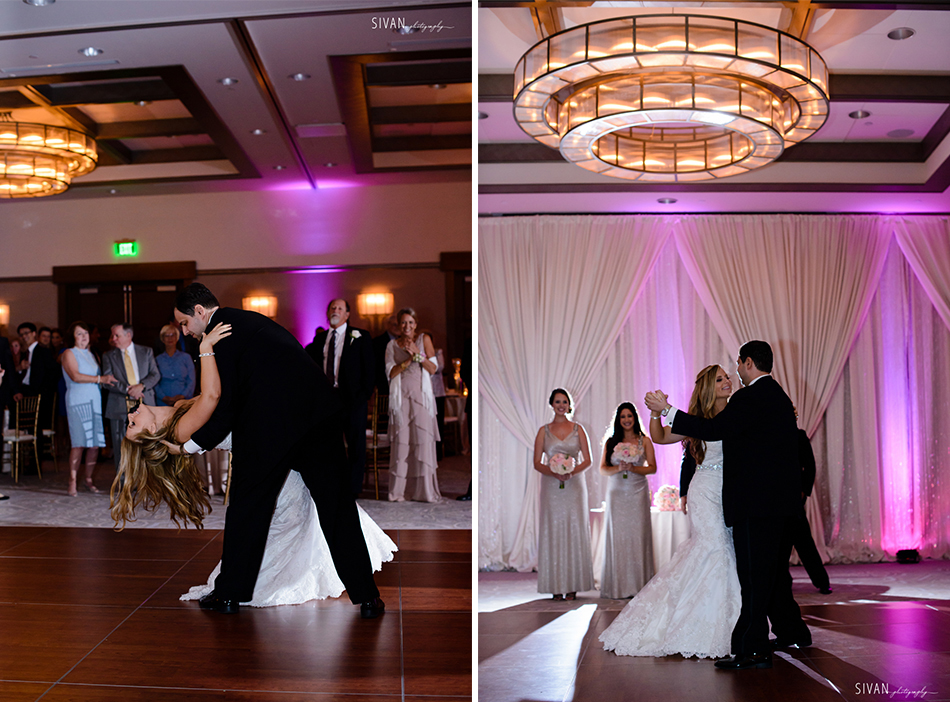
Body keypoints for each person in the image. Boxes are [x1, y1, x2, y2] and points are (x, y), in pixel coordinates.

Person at [172, 283, 383, 617]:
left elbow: (223, 405)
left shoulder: (220, 332)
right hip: (320, 418)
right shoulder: (251, 320)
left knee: (247, 507)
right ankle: (368, 597)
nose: (185, 331)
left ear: (200, 312)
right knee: (338, 508)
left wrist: (189, 446)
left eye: (184, 323)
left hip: (271, 428)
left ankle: (230, 595)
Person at [645, 341, 811, 670]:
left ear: (748, 362)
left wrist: (667, 409)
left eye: (735, 366)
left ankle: (752, 648)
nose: (732, 374)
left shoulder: (748, 399)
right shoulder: (777, 395)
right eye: (720, 377)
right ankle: (789, 631)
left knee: (752, 575)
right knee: (771, 573)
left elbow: (715, 429)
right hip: (759, 500)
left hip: (754, 502)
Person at [601, 365, 740, 658]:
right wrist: (655, 413)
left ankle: (731, 620)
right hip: (705, 490)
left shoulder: (737, 411)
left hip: (731, 491)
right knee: (714, 548)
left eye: (727, 376)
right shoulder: (697, 420)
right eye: (719, 379)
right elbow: (661, 437)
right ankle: (706, 625)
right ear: (707, 388)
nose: (727, 381)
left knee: (725, 548)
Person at [306, 299, 375, 498]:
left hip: (353, 400)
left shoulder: (360, 336)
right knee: (328, 445)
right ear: (328, 313)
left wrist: (363, 396)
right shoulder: (319, 340)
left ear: (347, 314)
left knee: (355, 445)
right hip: (328, 401)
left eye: (339, 308)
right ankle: (331, 485)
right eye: (332, 308)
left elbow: (369, 370)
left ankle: (352, 488)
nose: (335, 311)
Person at [533, 388, 594, 600]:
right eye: (557, 401)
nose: (561, 405)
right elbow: (536, 463)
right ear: (551, 404)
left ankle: (573, 584)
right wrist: (554, 472)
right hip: (551, 487)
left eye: (565, 401)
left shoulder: (579, 429)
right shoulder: (544, 431)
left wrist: (569, 472)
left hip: (574, 486)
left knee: (573, 529)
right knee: (554, 529)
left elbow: (588, 460)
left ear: (569, 405)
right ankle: (555, 585)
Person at [598, 402, 656, 599]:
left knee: (637, 536)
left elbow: (652, 468)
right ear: (618, 419)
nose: (626, 420)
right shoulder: (611, 441)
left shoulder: (644, 440)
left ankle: (639, 586)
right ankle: (618, 586)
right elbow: (603, 469)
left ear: (635, 417)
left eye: (629, 416)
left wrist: (633, 469)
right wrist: (619, 468)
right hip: (617, 494)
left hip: (637, 492)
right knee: (619, 537)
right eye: (623, 417)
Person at [385, 307, 441, 502]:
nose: (407, 326)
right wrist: (409, 360)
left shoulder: (424, 339)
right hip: (401, 399)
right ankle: (398, 492)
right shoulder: (392, 345)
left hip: (420, 398)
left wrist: (418, 354)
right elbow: (391, 373)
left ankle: (424, 492)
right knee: (402, 444)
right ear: (398, 325)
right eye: (403, 322)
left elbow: (433, 369)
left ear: (415, 324)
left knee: (422, 442)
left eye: (410, 322)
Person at [61, 322, 116, 496]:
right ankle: (72, 480)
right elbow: (75, 376)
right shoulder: (69, 353)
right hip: (77, 401)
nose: (84, 336)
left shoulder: (92, 354)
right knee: (79, 443)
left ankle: (88, 479)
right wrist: (101, 379)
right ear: (73, 337)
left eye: (85, 333)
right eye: (79, 334)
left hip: (94, 400)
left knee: (94, 444)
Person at [102, 323, 161, 472]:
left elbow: (155, 375)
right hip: (119, 406)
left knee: (147, 445)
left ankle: (147, 482)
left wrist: (141, 387)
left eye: (117, 335)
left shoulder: (146, 352)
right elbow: (109, 381)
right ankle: (124, 484)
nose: (113, 339)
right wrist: (130, 390)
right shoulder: (108, 355)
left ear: (129, 335)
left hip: (145, 403)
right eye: (113, 335)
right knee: (120, 445)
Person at [792, 419, 831, 594]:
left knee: (804, 542)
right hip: (773, 500)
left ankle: (821, 581)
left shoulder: (798, 436)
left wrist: (803, 492)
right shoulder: (765, 435)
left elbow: (810, 466)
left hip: (793, 498)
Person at [154, 324, 196, 407]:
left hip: (184, 401)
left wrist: (183, 396)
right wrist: (163, 397)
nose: (170, 338)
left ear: (177, 337)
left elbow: (191, 380)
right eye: (167, 335)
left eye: (173, 335)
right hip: (163, 402)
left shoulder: (186, 357)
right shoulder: (157, 360)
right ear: (162, 339)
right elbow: (154, 382)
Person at [373, 314, 399, 395]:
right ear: (388, 325)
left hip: (399, 383)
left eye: (400, 324)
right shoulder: (377, 342)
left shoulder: (405, 341)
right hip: (383, 383)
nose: (397, 327)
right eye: (395, 324)